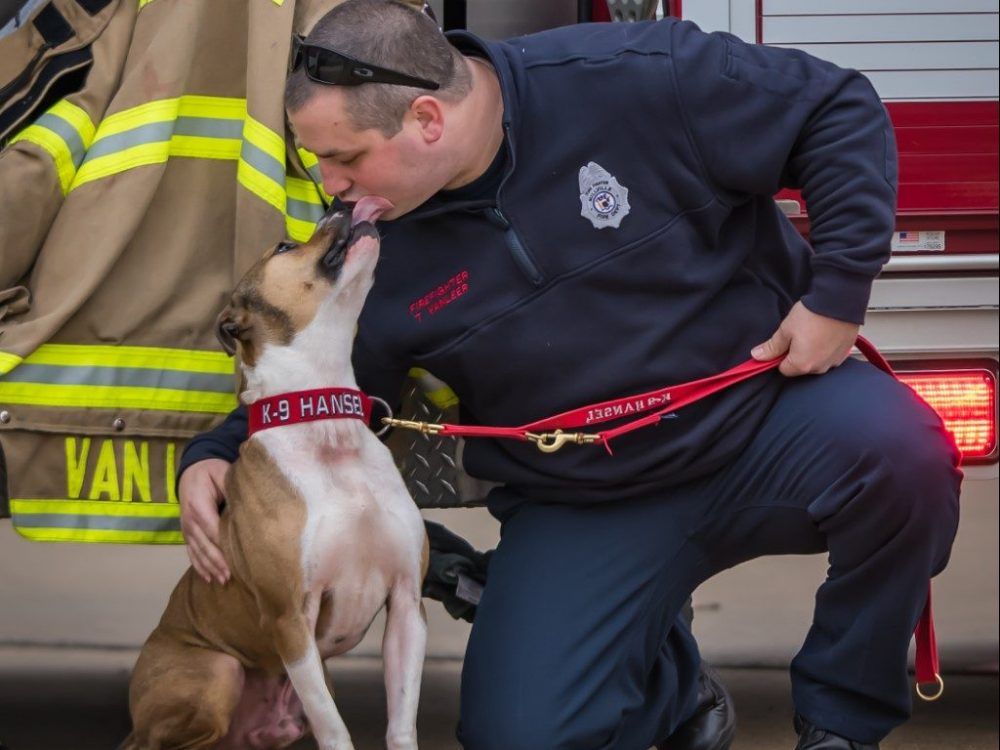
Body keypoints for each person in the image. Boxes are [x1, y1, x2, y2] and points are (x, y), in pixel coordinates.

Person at [177, 1, 963, 748]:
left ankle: (841, 720)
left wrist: (838, 294)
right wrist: (216, 451)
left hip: (766, 421)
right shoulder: (378, 255)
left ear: (425, 119)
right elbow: (334, 382)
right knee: (520, 735)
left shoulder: (639, 75)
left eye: (343, 157)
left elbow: (835, 108)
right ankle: (669, 680)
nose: (330, 186)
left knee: (907, 452)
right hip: (586, 497)